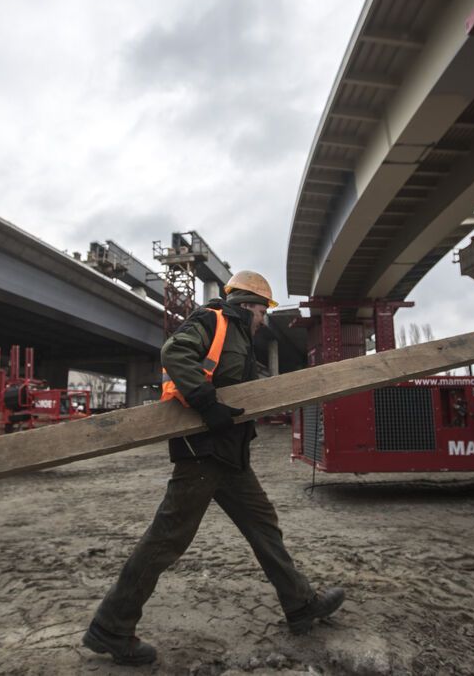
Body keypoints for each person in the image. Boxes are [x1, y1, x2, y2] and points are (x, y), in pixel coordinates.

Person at [83, 270, 345, 666]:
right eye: (262, 311)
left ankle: (300, 604)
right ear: (250, 305)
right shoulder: (213, 319)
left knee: (263, 526)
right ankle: (111, 627)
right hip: (202, 453)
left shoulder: (239, 338)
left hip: (230, 457)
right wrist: (207, 403)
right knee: (166, 540)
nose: (263, 320)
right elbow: (174, 352)